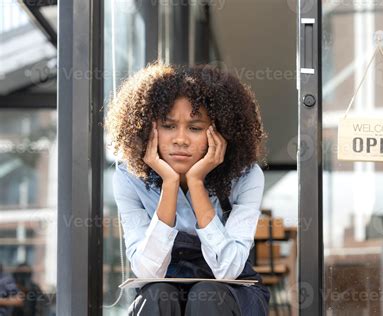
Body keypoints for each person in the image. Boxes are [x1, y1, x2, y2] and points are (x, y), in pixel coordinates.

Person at [105, 62, 270, 315]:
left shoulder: (246, 177)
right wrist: (170, 184)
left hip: (228, 295)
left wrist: (195, 182)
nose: (180, 139)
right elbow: (148, 271)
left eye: (195, 128)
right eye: (169, 126)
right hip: (164, 294)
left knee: (208, 295)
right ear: (148, 129)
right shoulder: (128, 177)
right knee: (157, 294)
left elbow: (228, 269)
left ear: (220, 133)